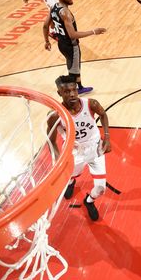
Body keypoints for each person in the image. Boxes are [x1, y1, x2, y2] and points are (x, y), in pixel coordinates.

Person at [46, 75, 112, 221]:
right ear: (59, 93)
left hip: (95, 148)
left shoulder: (91, 104)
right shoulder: (55, 115)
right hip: (75, 151)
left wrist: (107, 137)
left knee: (101, 188)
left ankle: (89, 201)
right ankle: (71, 182)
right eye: (66, 91)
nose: (72, 94)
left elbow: (103, 114)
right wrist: (57, 157)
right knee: (70, 175)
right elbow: (50, 139)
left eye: (74, 90)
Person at [43, 0, 106, 94]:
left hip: (61, 44)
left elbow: (45, 26)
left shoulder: (53, 7)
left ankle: (80, 87)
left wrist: (46, 41)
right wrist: (93, 31)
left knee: (73, 65)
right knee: (73, 70)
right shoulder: (65, 13)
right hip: (71, 45)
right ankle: (70, 91)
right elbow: (73, 34)